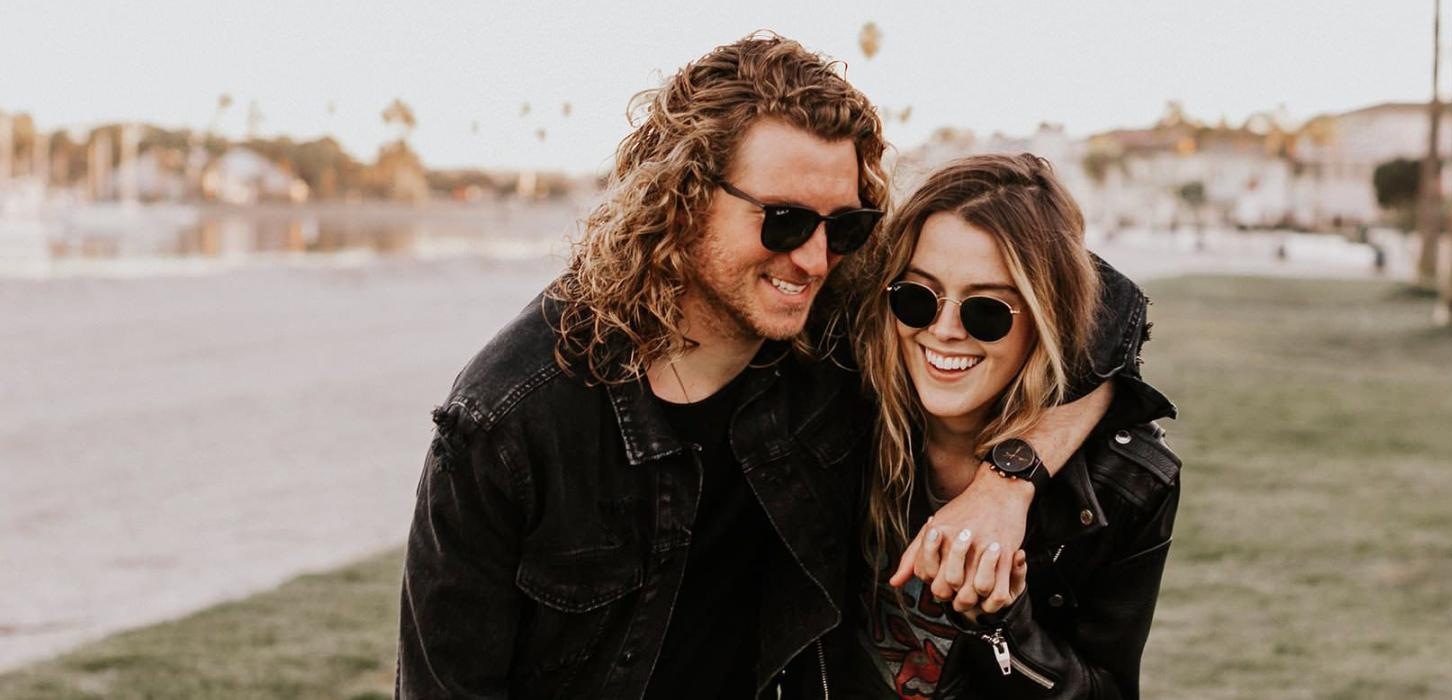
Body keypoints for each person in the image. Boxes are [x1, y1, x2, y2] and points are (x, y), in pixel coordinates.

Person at [395, 34, 1151, 698]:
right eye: (784, 220)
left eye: (845, 225)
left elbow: (1105, 310)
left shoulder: (826, 331)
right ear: (682, 196)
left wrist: (1007, 484)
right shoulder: (510, 419)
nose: (815, 258)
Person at [830, 154, 1180, 698]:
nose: (943, 330)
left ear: (1045, 319)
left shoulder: (1125, 482)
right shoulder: (845, 405)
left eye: (986, 309)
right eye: (917, 297)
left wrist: (1003, 622)